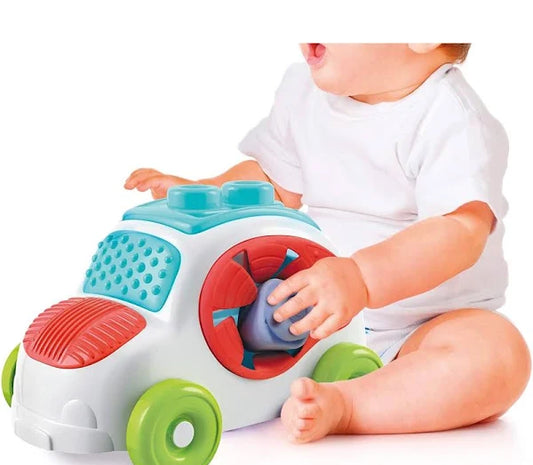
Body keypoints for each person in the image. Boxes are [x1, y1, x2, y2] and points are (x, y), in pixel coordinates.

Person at [125, 43, 530, 443]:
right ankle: (159, 379)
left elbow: (460, 231)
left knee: (497, 354)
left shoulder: (451, 119)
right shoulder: (304, 92)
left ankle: (349, 404)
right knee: (221, 299)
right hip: (311, 318)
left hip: (421, 330)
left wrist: (362, 278)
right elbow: (273, 183)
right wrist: (208, 194)